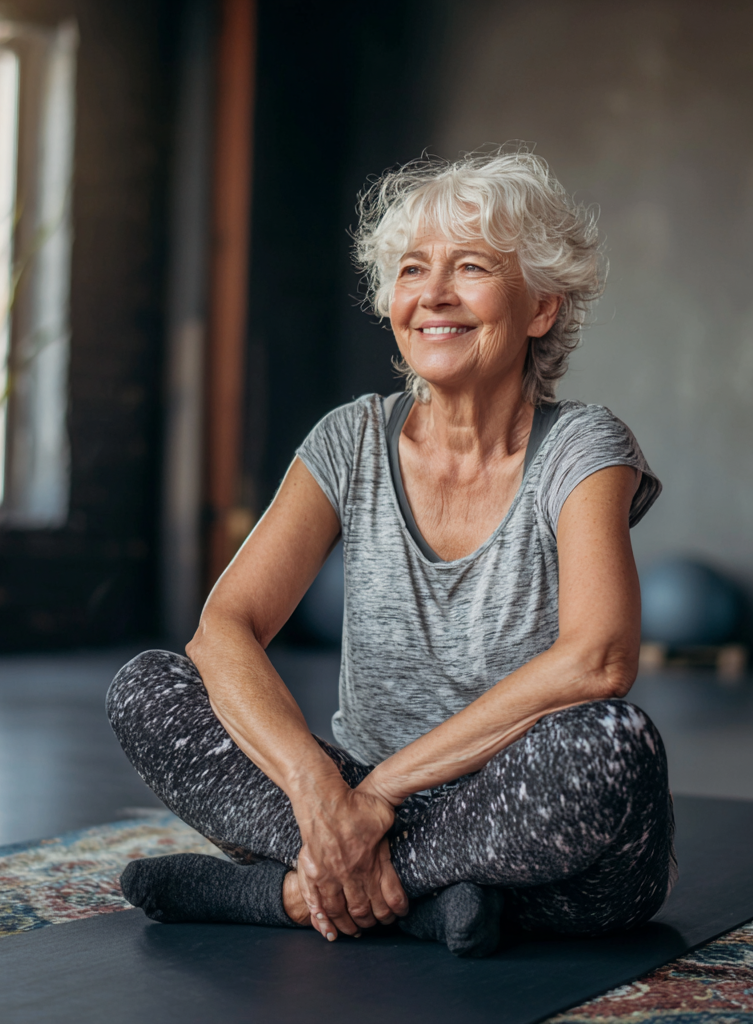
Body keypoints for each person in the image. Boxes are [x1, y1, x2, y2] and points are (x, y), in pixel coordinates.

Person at [108, 148, 675, 958]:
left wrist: (378, 795)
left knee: (611, 746)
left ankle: (294, 894)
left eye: (470, 267)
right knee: (148, 690)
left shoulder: (585, 446)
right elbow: (223, 628)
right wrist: (320, 791)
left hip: (525, 827)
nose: (432, 295)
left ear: (541, 307)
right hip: (360, 808)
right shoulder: (350, 440)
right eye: (413, 270)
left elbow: (599, 659)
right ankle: (419, 897)